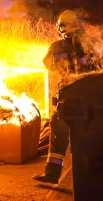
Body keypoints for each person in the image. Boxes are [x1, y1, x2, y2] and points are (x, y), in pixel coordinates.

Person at [33, 10, 97, 184]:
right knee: (91, 133)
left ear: (61, 28)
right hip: (93, 97)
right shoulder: (93, 44)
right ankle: (91, 176)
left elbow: (49, 65)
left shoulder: (57, 47)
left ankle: (52, 174)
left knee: (58, 134)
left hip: (68, 97)